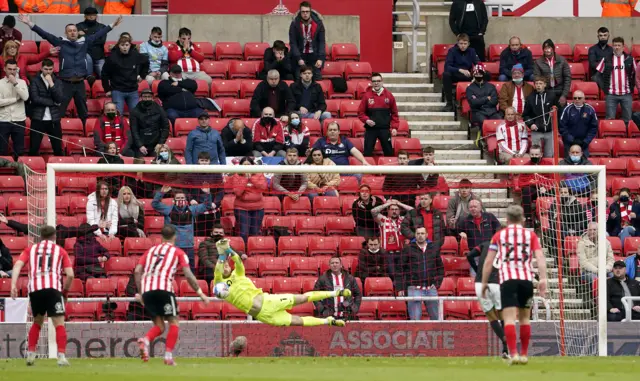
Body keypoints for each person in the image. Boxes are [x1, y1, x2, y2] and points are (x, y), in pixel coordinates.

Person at [212, 238, 350, 326]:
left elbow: (236, 259)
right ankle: (329, 321)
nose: (224, 266)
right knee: (297, 321)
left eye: (226, 265)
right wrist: (222, 254)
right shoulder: (220, 284)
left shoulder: (238, 273)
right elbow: (218, 269)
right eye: (222, 265)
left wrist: (228, 249)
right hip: (264, 316)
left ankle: (336, 292)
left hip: (269, 301)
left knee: (302, 298)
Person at [18, 14, 123, 126]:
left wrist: (112, 25)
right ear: (66, 33)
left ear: (77, 32)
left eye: (74, 30)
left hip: (80, 83)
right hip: (65, 83)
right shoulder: (60, 42)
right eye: (70, 31)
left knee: (83, 111)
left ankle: (84, 129)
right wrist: (29, 23)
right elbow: (44, 34)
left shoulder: (84, 41)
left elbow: (99, 34)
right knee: (60, 110)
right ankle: (57, 132)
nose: (73, 32)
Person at [134, 225, 210, 366]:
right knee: (174, 322)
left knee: (160, 326)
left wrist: (141, 292)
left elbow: (138, 271)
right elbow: (188, 275)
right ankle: (168, 356)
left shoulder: (150, 251)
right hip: (164, 289)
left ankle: (145, 340)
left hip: (148, 291)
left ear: (161, 237)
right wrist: (201, 293)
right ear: (175, 237)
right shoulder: (178, 252)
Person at [482, 205, 547, 365]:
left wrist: (484, 282)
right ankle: (524, 354)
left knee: (509, 318)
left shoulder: (499, 235)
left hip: (507, 281)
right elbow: (540, 257)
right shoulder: (530, 235)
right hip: (526, 281)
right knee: (525, 318)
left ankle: (513, 354)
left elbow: (489, 261)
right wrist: (543, 279)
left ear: (508, 219)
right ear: (523, 219)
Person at [10, 226, 74, 366]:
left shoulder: (30, 249)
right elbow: (70, 275)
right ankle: (61, 357)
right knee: (59, 323)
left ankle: (31, 355)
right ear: (54, 236)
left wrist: (13, 285)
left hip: (36, 289)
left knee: (37, 322)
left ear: (41, 236)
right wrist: (65, 292)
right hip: (53, 289)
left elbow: (17, 266)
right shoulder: (60, 251)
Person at [152, 185, 212, 272]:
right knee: (169, 272)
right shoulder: (168, 209)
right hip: (172, 247)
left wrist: (207, 194)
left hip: (188, 247)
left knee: (190, 272)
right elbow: (154, 204)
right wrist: (161, 193)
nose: (180, 200)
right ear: (174, 200)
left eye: (182, 198)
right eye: (178, 198)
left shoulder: (192, 210)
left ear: (186, 200)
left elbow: (207, 206)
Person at [466, 241, 509, 358]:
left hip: (480, 283)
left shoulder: (484, 244)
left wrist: (476, 270)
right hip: (496, 283)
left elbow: (469, 255)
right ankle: (505, 348)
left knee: (491, 316)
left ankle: (504, 342)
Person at [400, 226, 444, 320]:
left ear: (427, 235)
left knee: (436, 318)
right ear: (415, 235)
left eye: (422, 233)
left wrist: (437, 284)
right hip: (414, 288)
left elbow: (440, 268)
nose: (420, 236)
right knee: (415, 320)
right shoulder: (408, 249)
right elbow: (400, 269)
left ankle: (436, 335)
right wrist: (400, 288)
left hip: (431, 288)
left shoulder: (433, 248)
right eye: (418, 233)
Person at [101, 35, 148, 116]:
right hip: (117, 90)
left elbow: (146, 61)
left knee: (136, 115)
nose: (124, 47)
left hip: (132, 90)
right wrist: (107, 89)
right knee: (118, 115)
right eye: (122, 45)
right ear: (119, 45)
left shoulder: (135, 55)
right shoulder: (112, 57)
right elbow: (104, 73)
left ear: (130, 45)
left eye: (127, 45)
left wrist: (142, 75)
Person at [28, 58, 64, 156]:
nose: (48, 71)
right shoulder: (35, 81)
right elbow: (35, 98)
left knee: (58, 149)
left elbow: (59, 99)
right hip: (38, 118)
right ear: (41, 68)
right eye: (46, 69)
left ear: (53, 69)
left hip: (54, 119)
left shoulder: (57, 82)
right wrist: (52, 102)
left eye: (50, 69)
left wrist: (52, 84)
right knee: (34, 148)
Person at [358, 72, 399, 157]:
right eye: (374, 81)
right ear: (371, 83)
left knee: (388, 153)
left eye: (378, 81)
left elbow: (394, 113)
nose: (376, 83)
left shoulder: (389, 96)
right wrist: (367, 120)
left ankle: (388, 170)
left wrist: (394, 127)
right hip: (370, 129)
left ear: (382, 82)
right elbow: (360, 113)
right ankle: (367, 170)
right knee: (367, 153)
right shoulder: (367, 96)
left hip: (384, 129)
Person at [371, 198, 413, 280]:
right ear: (388, 211)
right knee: (392, 274)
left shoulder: (404, 220)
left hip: (402, 253)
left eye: (396, 209)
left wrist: (399, 203)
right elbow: (373, 211)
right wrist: (387, 204)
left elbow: (414, 211)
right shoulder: (383, 220)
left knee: (403, 275)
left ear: (399, 211)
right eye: (392, 209)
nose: (394, 211)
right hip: (388, 254)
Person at [597, 37, 635, 125]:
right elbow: (597, 76)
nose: (617, 47)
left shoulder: (630, 59)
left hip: (626, 94)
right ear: (612, 47)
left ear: (623, 47)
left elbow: (635, 75)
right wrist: (605, 88)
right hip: (611, 95)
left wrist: (632, 86)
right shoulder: (606, 59)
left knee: (628, 120)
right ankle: (610, 137)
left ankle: (626, 137)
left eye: (619, 45)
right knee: (610, 120)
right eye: (615, 45)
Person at [229, 157, 267, 243]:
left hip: (258, 208)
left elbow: (263, 187)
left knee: (255, 232)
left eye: (248, 165)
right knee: (244, 232)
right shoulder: (237, 176)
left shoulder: (259, 174)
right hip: (241, 208)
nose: (246, 167)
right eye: (244, 165)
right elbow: (238, 193)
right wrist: (245, 179)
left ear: (253, 165)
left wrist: (252, 179)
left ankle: (253, 252)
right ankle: (243, 251)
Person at [288, 1, 326, 81]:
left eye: (307, 11)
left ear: (310, 11)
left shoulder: (318, 23)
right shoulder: (294, 23)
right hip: (300, 55)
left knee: (317, 79)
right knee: (299, 79)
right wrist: (298, 58)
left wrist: (320, 58)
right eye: (303, 12)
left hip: (314, 56)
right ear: (300, 12)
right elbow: (293, 43)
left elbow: (322, 42)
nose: (305, 14)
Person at [442, 34, 480, 112]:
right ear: (458, 43)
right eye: (461, 43)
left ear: (468, 44)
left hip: (468, 75)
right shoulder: (452, 51)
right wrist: (460, 70)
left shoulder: (472, 51)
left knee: (486, 74)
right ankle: (449, 103)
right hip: (456, 74)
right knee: (446, 75)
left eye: (465, 44)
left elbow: (478, 64)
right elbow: (447, 67)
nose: (463, 46)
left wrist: (476, 75)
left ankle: (480, 101)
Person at [129, 89, 170, 157]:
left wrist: (160, 143)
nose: (147, 98)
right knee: (139, 162)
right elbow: (134, 130)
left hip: (156, 143)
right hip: (141, 144)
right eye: (145, 97)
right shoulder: (135, 111)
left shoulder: (160, 109)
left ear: (152, 98)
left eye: (149, 96)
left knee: (159, 162)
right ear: (141, 98)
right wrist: (140, 145)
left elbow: (166, 127)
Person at [0, 59, 28, 157]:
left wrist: (15, 83)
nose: (12, 71)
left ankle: (18, 171)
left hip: (19, 120)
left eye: (14, 69)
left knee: (19, 150)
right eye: (10, 69)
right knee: (2, 149)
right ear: (4, 69)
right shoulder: (0, 83)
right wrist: (14, 100)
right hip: (3, 120)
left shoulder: (22, 83)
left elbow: (25, 97)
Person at [522, 76, 556, 158]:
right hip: (536, 131)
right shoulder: (530, 98)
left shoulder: (552, 96)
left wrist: (554, 112)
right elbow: (525, 115)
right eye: (536, 83)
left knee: (549, 155)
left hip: (549, 131)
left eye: (540, 83)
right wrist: (531, 124)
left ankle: (548, 171)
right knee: (535, 155)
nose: (538, 85)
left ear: (545, 85)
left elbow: (558, 109)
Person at [533, 39, 571, 110]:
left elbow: (567, 78)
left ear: (553, 49)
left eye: (549, 48)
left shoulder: (562, 60)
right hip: (546, 92)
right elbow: (537, 78)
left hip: (560, 91)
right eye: (545, 48)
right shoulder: (538, 62)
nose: (547, 50)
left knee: (561, 117)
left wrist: (564, 95)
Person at [559, 91, 598, 156]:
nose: (577, 100)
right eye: (575, 98)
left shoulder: (590, 110)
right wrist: (571, 139)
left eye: (579, 98)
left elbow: (594, 127)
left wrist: (586, 141)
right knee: (568, 163)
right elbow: (562, 126)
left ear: (584, 99)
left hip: (584, 143)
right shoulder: (567, 109)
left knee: (584, 164)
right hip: (569, 143)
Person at [76, 7, 107, 79]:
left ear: (96, 16)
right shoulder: (78, 26)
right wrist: (95, 37)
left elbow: (102, 41)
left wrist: (84, 36)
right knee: (87, 77)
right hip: (84, 56)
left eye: (93, 15)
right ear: (85, 16)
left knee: (104, 77)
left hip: (99, 56)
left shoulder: (102, 27)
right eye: (89, 15)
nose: (91, 16)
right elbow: (78, 41)